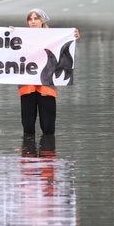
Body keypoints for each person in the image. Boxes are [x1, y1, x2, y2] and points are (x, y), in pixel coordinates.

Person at [15, 8, 79, 137]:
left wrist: (74, 35)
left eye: (36, 19)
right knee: (27, 126)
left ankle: (47, 155)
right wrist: (8, 32)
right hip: (27, 86)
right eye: (30, 19)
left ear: (42, 21)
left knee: (48, 126)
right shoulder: (20, 36)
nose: (32, 22)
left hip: (46, 85)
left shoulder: (53, 36)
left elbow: (66, 45)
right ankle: (28, 155)